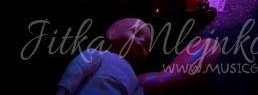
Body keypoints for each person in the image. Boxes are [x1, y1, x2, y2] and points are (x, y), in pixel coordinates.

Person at [55, 17, 221, 95]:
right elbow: (78, 68)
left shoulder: (134, 80)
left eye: (147, 47)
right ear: (112, 33)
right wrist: (63, 89)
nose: (141, 42)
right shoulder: (99, 55)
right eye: (136, 33)